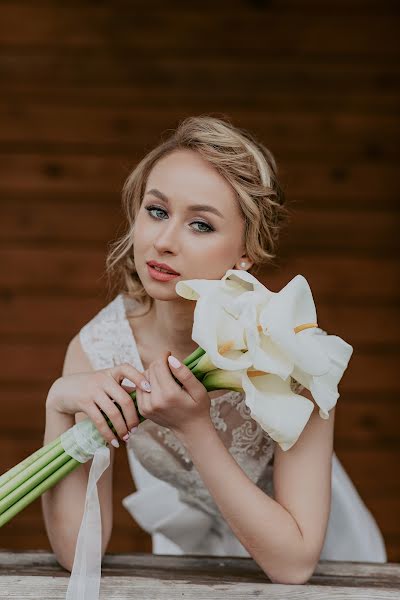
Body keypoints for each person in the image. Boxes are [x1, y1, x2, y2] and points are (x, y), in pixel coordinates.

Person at [41, 115, 387, 584]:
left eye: (200, 225)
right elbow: (74, 549)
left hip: (327, 561)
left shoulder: (287, 348)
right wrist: (58, 404)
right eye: (157, 211)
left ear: (246, 249)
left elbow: (296, 563)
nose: (163, 242)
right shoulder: (99, 347)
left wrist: (195, 428)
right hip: (195, 563)